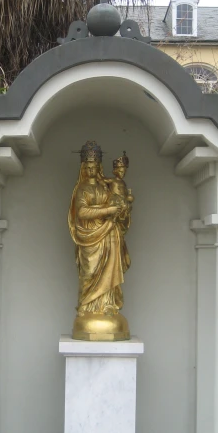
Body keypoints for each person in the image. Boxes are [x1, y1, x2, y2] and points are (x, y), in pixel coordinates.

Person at [68, 141, 131, 340]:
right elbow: (83, 212)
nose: (91, 169)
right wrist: (109, 210)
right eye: (87, 166)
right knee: (89, 272)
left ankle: (108, 305)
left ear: (99, 166)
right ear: (83, 168)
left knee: (109, 271)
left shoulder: (106, 187)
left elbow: (118, 207)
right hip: (90, 239)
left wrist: (123, 207)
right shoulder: (82, 189)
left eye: (94, 166)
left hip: (110, 235)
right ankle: (87, 306)